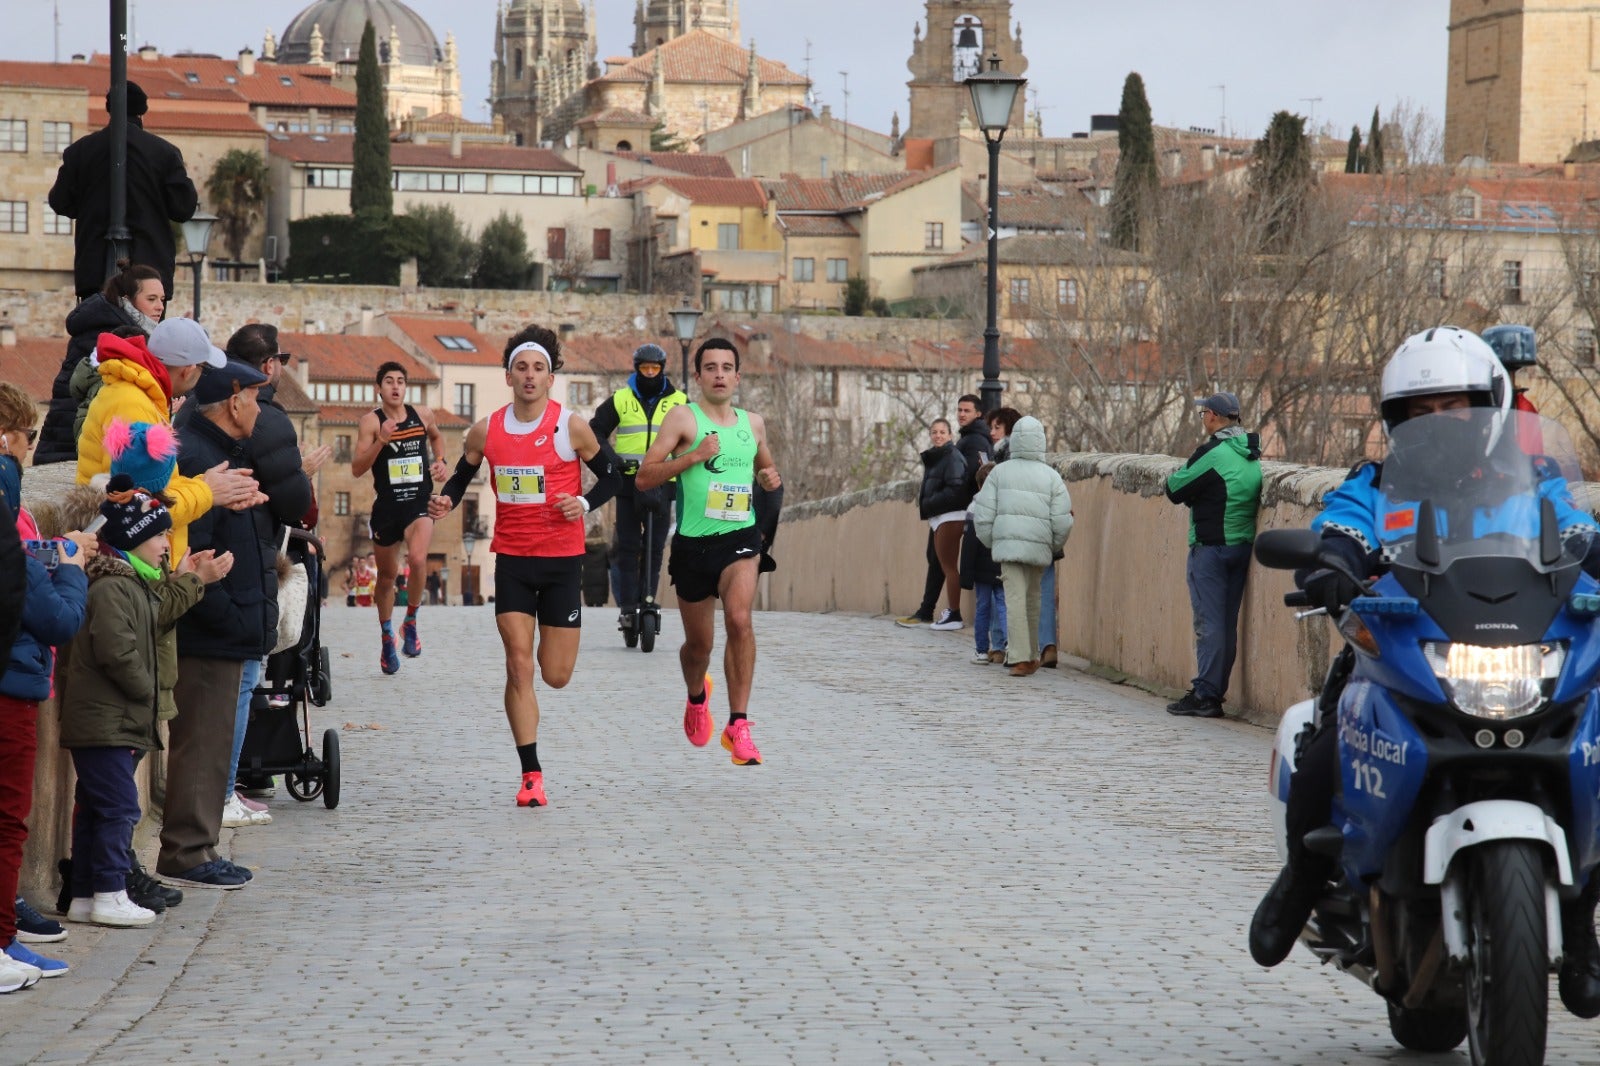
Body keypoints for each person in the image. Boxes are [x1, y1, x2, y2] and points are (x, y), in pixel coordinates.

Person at [1246, 327, 1600, 1022]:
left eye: (1454, 406)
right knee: (1325, 751)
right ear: (1396, 420)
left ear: (1490, 407)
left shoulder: (1534, 483)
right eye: (1421, 410)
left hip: (1523, 647)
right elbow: (1344, 528)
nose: (1439, 421)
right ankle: (1301, 878)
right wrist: (1333, 562)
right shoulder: (1376, 486)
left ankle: (1581, 919)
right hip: (1403, 650)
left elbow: (1576, 531)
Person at [427, 326, 620, 807]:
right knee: (517, 663)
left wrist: (583, 502)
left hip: (561, 562)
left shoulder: (570, 427)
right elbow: (463, 474)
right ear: (509, 376)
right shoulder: (486, 430)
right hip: (512, 559)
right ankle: (531, 774)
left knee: (555, 674)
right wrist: (446, 501)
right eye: (521, 368)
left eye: (538, 368)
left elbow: (614, 476)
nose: (530, 376)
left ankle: (544, 669)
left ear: (550, 378)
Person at [635, 337, 783, 765]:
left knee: (739, 620)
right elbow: (644, 477)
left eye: (727, 367)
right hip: (693, 546)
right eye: (711, 368)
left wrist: (769, 479)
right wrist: (693, 456)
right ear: (698, 376)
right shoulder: (684, 418)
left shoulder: (753, 424)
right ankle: (697, 695)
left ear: (738, 377)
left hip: (740, 538)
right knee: (698, 647)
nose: (719, 374)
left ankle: (738, 724)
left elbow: (766, 469)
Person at [157, 359, 274, 890]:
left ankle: (198, 846)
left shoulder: (217, 452)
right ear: (234, 400)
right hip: (210, 631)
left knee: (211, 742)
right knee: (201, 745)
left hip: (226, 627)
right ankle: (187, 852)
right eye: (255, 399)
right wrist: (231, 618)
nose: (259, 410)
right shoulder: (201, 457)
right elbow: (196, 549)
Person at [58, 477, 194, 929]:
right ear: (134, 539)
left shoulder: (131, 583)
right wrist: (147, 691)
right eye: (159, 535)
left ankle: (84, 895)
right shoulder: (113, 587)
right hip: (107, 720)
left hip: (108, 718)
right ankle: (111, 891)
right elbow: (117, 651)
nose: (166, 544)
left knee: (96, 807)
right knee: (119, 808)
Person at [0, 385, 91, 982]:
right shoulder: (6, 506)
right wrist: (73, 570)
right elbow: (55, 618)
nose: (31, 449)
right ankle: (1, 941)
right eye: (27, 438)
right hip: (12, 683)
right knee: (9, 818)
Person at [78, 318, 261, 560]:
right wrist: (207, 491)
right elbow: (139, 509)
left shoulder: (139, 394)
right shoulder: (132, 403)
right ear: (188, 370)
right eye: (203, 369)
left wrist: (210, 484)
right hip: (131, 561)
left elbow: (155, 489)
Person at [47, 80, 198, 302]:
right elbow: (183, 208)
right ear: (142, 112)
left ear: (109, 109)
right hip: (149, 274)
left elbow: (60, 201)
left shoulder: (80, 151)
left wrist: (90, 207)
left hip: (94, 269)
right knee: (144, 325)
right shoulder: (164, 152)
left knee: (98, 324)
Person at [1163, 391, 1263, 718]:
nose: (1203, 417)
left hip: (1211, 549)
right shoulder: (1249, 453)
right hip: (1241, 547)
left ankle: (1205, 694)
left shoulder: (1213, 453)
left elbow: (1174, 488)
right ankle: (1214, 692)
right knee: (1226, 624)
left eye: (1204, 412)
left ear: (1214, 417)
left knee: (1209, 623)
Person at [352, 362, 448, 674]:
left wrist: (441, 461)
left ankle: (411, 621)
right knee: (387, 576)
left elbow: (437, 438)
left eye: (400, 381)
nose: (395, 386)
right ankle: (386, 636)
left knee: (418, 559)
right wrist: (381, 440)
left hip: (418, 501)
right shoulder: (371, 422)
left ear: (406, 387)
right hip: (387, 507)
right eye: (389, 381)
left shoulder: (423, 415)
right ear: (378, 388)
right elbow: (357, 468)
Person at [589, 342, 687, 637]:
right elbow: (596, 430)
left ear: (662, 369)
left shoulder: (679, 401)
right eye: (645, 368)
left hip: (663, 482)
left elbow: (691, 437)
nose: (650, 373)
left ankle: (648, 598)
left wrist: (681, 464)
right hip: (628, 483)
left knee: (655, 548)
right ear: (636, 369)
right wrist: (612, 460)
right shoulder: (622, 399)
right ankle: (629, 606)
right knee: (628, 547)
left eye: (655, 368)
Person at [35, 260, 166, 466]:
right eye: (151, 299)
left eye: (162, 299)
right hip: (73, 449)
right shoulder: (112, 338)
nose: (160, 307)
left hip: (70, 443)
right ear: (126, 300)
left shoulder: (112, 328)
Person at [972, 416, 1073, 677]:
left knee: (1014, 598)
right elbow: (1062, 520)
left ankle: (1020, 657)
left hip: (1008, 546)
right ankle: (1030, 653)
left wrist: (993, 542)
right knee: (1033, 600)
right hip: (1039, 547)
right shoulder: (1052, 477)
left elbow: (982, 515)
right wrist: (1052, 545)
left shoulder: (999, 473)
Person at [961, 461, 1006, 664]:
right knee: (1003, 605)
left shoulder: (974, 507)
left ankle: (981, 650)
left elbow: (969, 544)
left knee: (982, 607)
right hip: (1001, 563)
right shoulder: (1006, 506)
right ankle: (1009, 645)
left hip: (980, 568)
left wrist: (966, 574)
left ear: (979, 485)